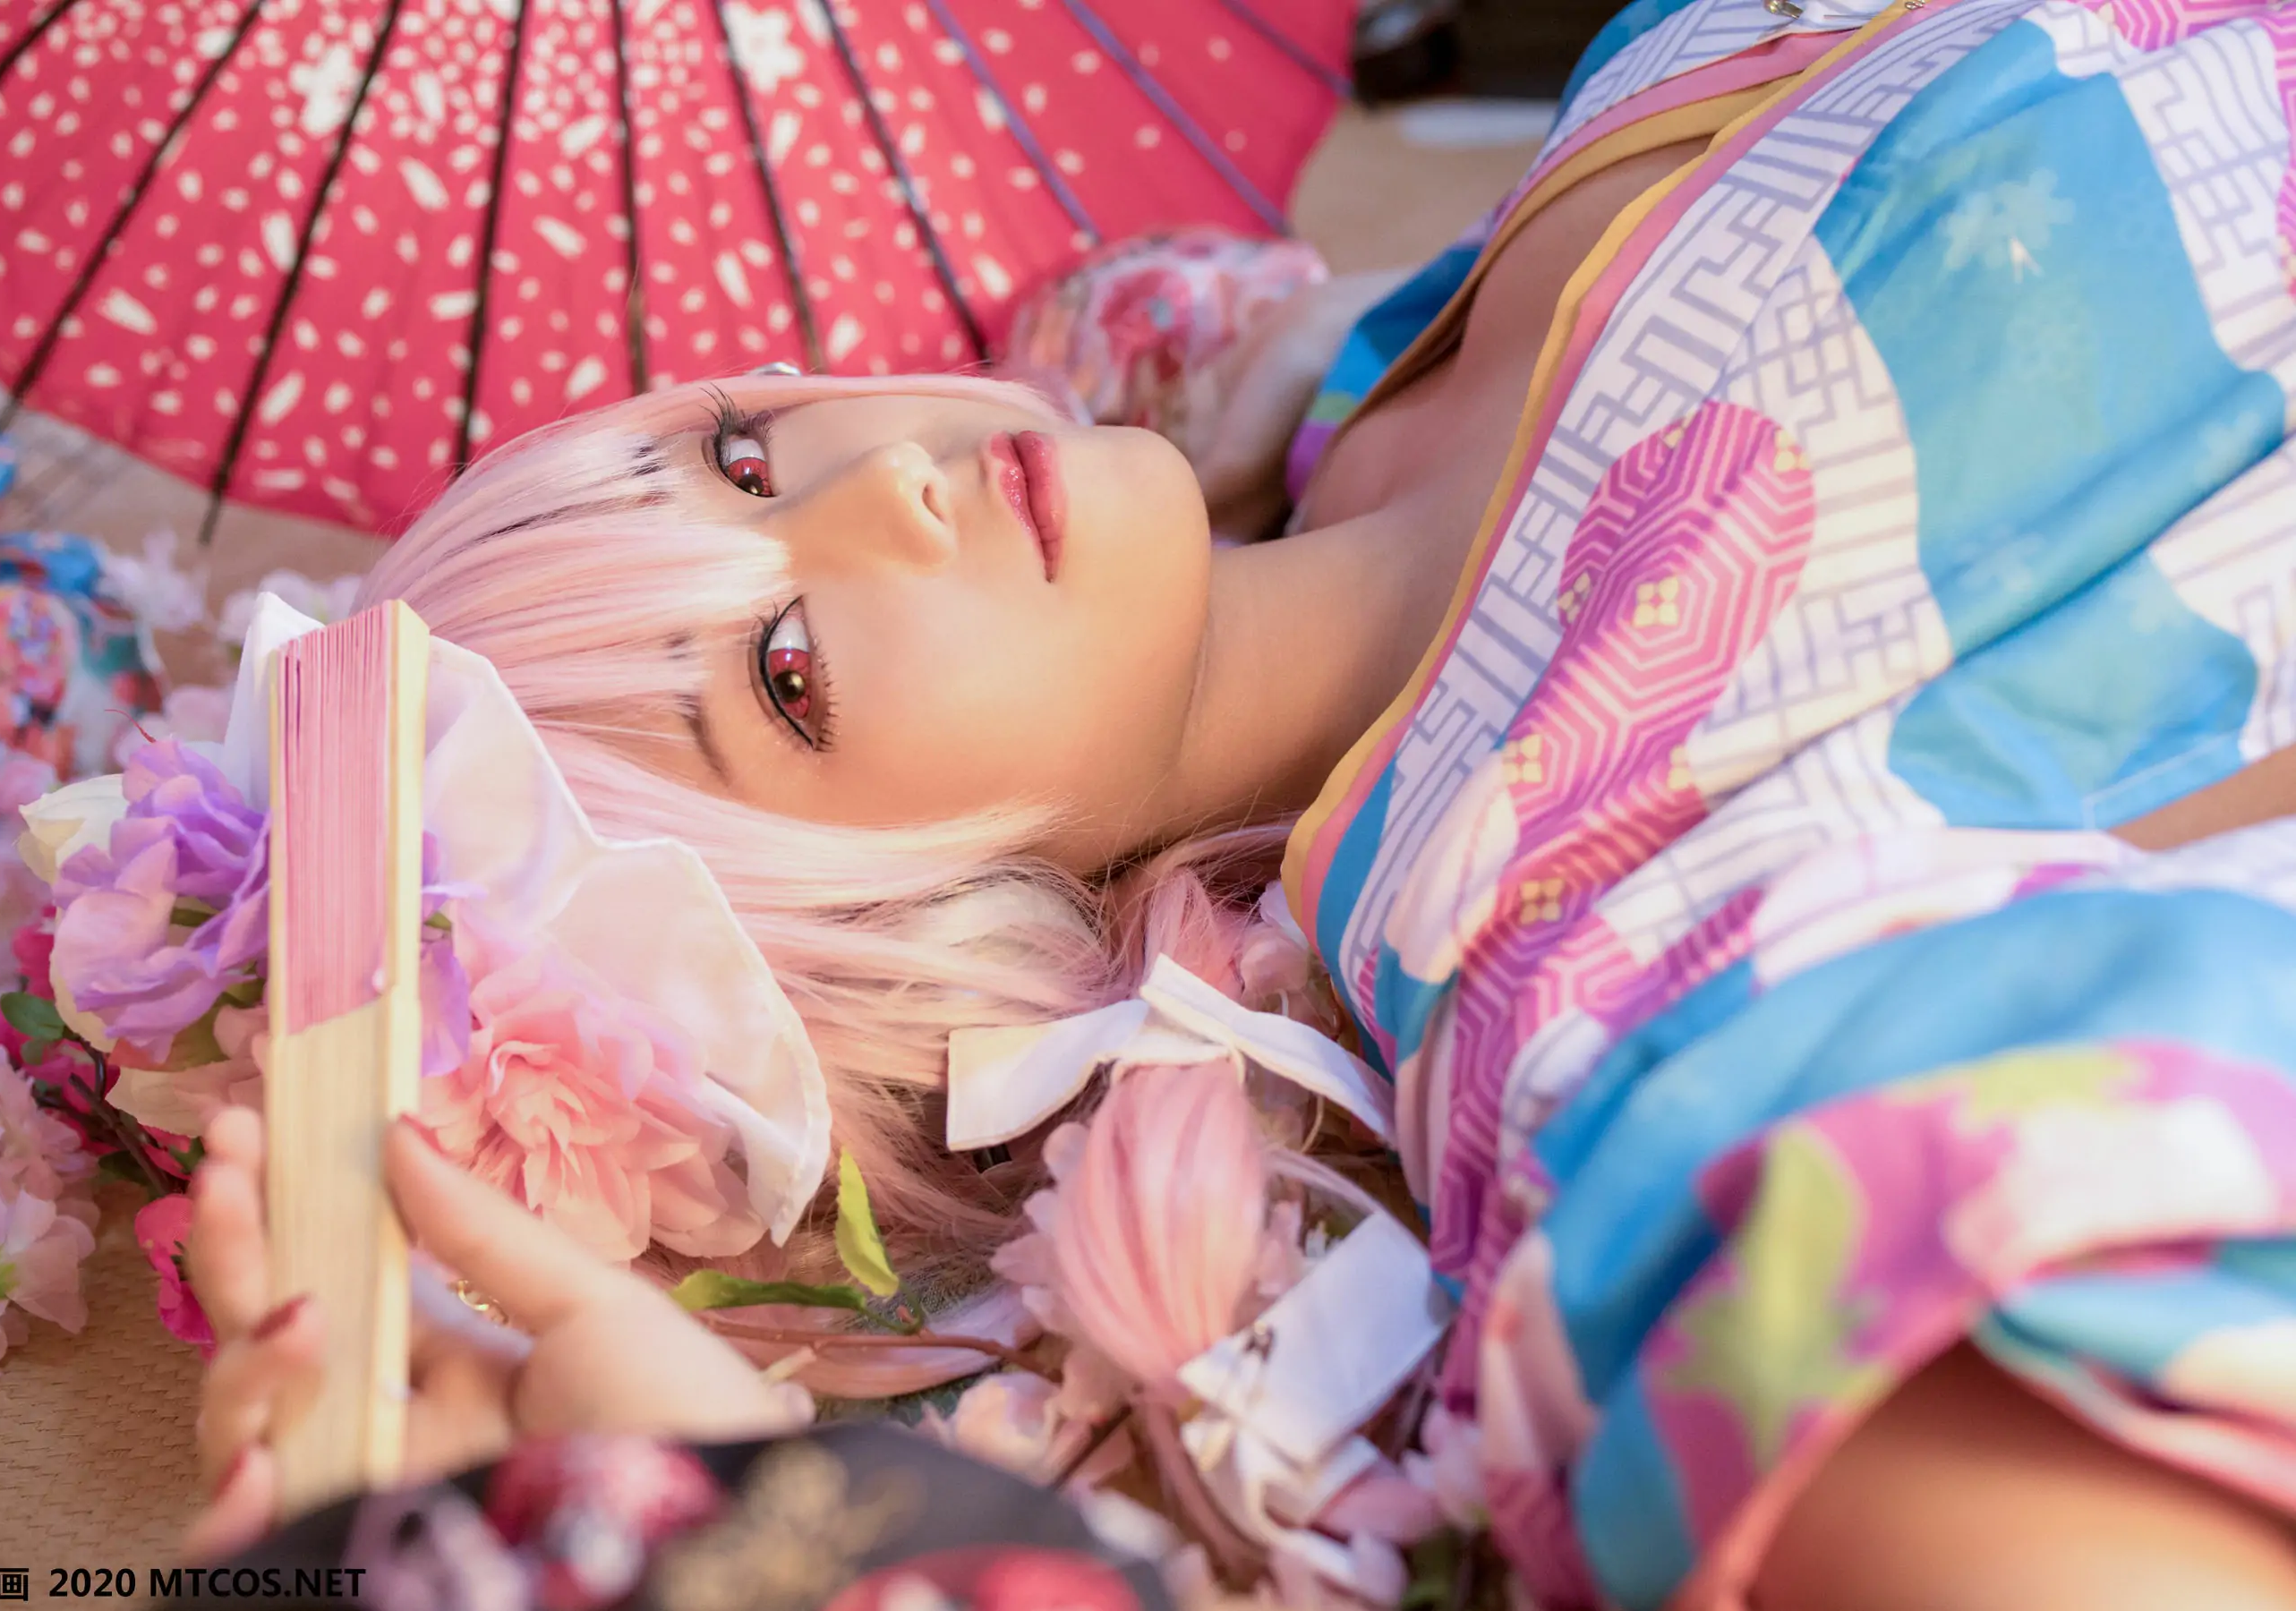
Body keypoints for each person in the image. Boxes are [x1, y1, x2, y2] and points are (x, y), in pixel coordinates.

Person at [192, 0, 2296, 1601]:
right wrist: (775, 1536)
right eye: (790, 673)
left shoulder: (1307, 369)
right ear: (896, 937)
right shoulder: (1566, 949)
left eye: (741, 455)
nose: (881, 479)